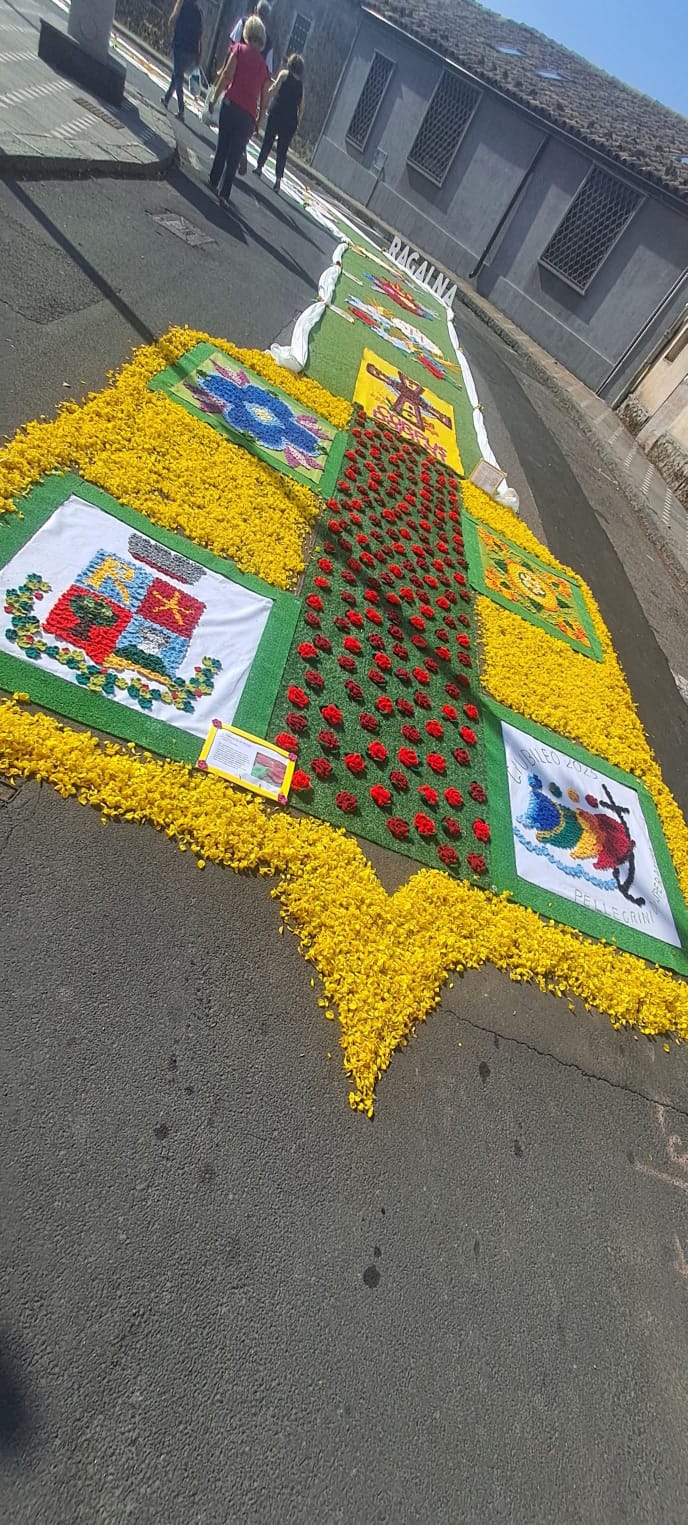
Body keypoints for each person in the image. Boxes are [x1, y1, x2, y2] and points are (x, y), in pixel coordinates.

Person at [208, 16, 271, 209]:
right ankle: (225, 193)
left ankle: (212, 181)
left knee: (223, 146)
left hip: (231, 104)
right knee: (234, 154)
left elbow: (227, 76)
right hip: (248, 115)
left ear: (246, 33)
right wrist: (259, 122)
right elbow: (265, 96)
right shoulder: (264, 67)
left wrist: (214, 97)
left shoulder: (238, 50)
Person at [253, 52, 304, 194]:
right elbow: (302, 107)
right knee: (282, 151)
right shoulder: (300, 85)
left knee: (268, 141)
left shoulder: (283, 74)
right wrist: (297, 122)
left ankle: (259, 167)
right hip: (290, 121)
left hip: (277, 113)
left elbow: (273, 89)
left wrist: (263, 99)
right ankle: (278, 180)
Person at [162, 0, 203, 122]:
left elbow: (172, 20)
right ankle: (166, 98)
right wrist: (199, 54)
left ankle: (181, 109)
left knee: (178, 77)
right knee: (177, 74)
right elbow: (201, 35)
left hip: (180, 45)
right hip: (192, 50)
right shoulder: (198, 12)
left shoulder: (182, 5)